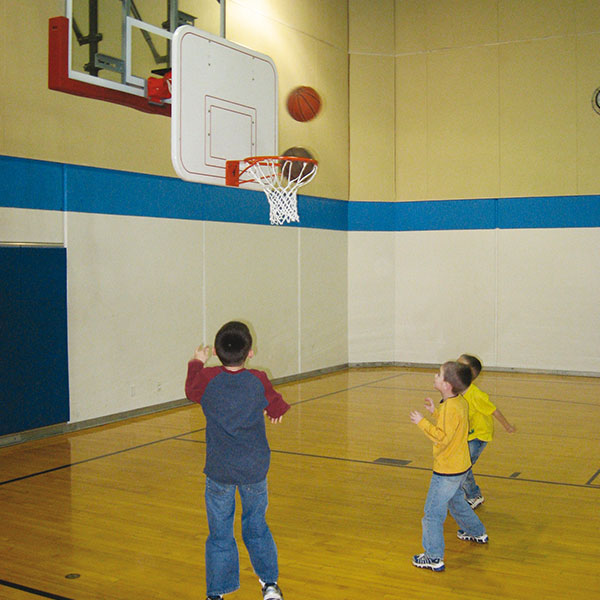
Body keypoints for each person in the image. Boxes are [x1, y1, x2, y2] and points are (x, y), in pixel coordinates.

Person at [185, 321, 290, 600]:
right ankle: (269, 585)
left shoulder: (207, 379)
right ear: (250, 353)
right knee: (256, 526)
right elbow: (277, 406)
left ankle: (217, 593)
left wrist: (196, 362)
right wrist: (273, 411)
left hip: (219, 470)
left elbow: (190, 389)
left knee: (220, 533)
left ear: (217, 355)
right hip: (254, 470)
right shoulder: (258, 379)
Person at [409, 361, 488, 572]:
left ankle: (433, 556)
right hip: (461, 467)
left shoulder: (451, 406)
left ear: (446, 385)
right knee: (456, 503)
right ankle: (477, 531)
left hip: (446, 471)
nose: (435, 376)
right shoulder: (458, 402)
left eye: (438, 375)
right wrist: (436, 412)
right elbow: (452, 424)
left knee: (432, 513)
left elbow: (441, 437)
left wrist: (422, 422)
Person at [458, 354, 516, 509]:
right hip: (468, 434)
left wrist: (507, 426)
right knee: (461, 465)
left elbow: (494, 411)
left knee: (463, 466)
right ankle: (466, 493)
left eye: (459, 364)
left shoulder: (476, 395)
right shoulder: (457, 390)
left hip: (480, 435)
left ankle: (473, 495)